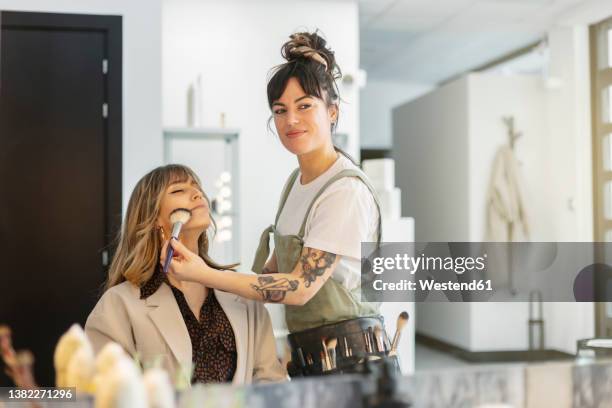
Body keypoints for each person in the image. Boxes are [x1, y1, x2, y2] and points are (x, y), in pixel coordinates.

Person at [161, 31, 393, 376]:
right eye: (280, 110)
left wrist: (204, 274)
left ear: (332, 111)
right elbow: (271, 274)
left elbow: (298, 287)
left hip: (351, 363)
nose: (290, 121)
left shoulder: (344, 191)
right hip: (310, 354)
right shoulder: (296, 184)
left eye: (304, 106)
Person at [85, 164, 287, 385]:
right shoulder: (119, 304)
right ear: (153, 219)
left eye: (197, 187)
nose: (197, 193)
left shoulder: (241, 296)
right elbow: (105, 391)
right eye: (178, 190)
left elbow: (270, 381)